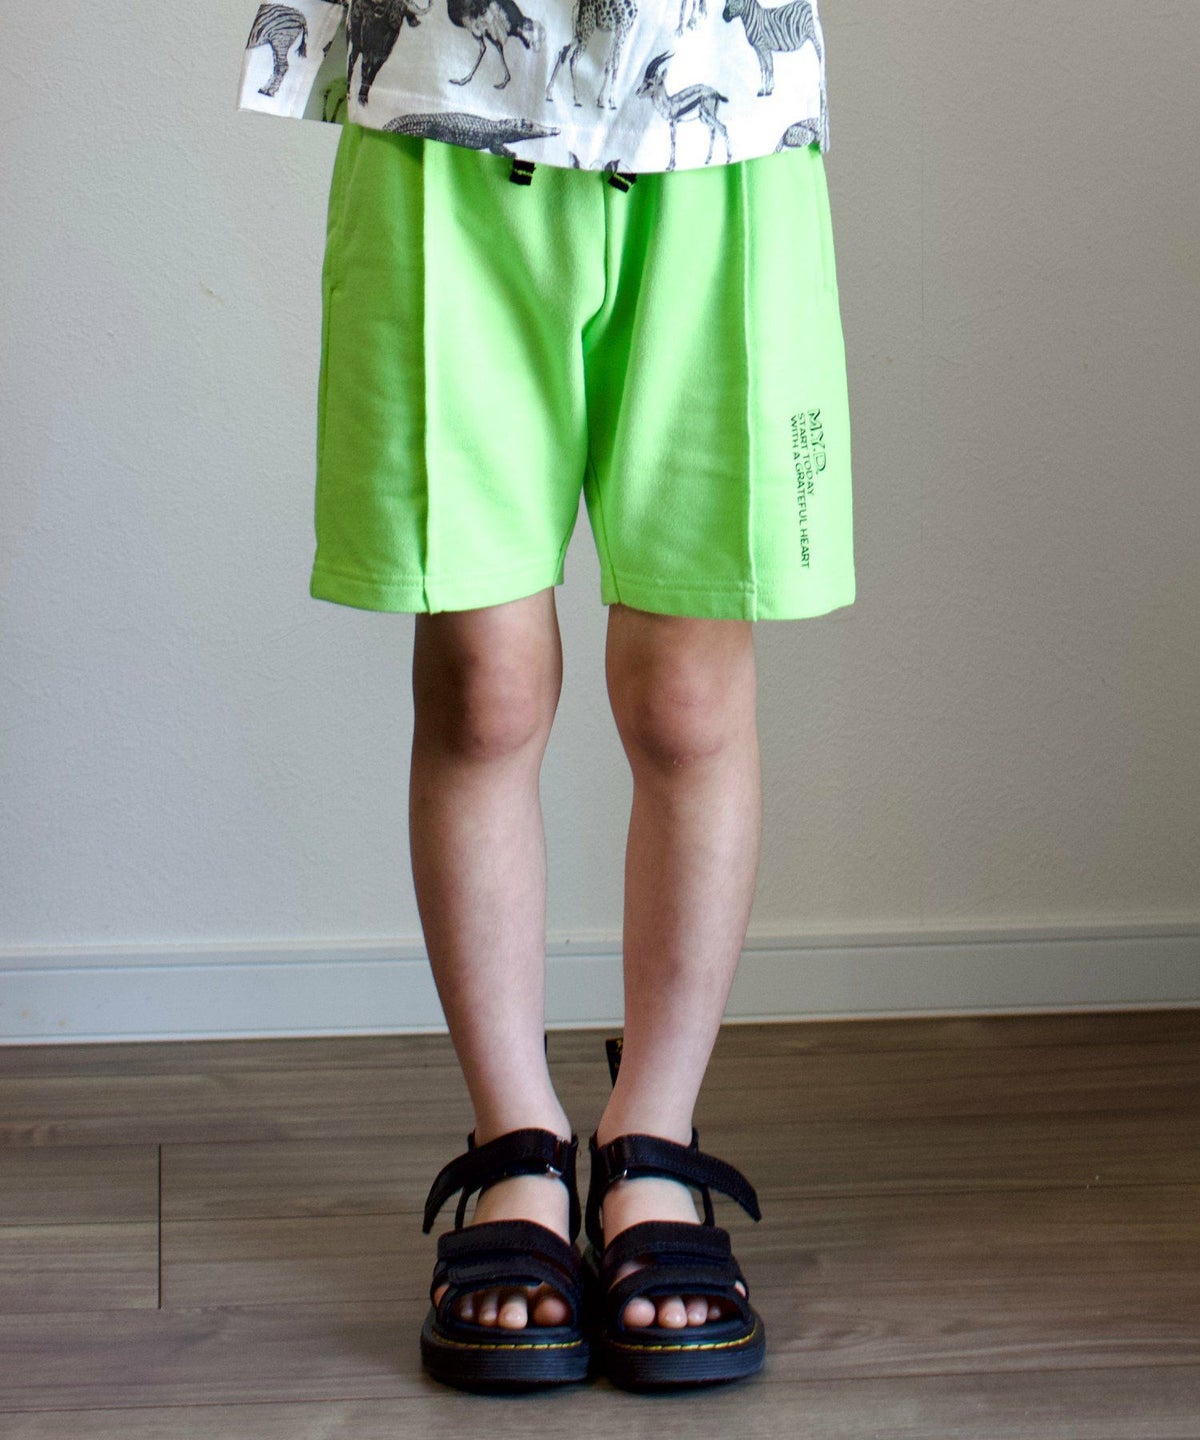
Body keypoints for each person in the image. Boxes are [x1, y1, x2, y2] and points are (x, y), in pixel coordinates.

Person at [238, 0, 854, 1391]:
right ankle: (512, 1137)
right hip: (448, 106)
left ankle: (655, 1140)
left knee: (690, 690)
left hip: (718, 108)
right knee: (484, 684)